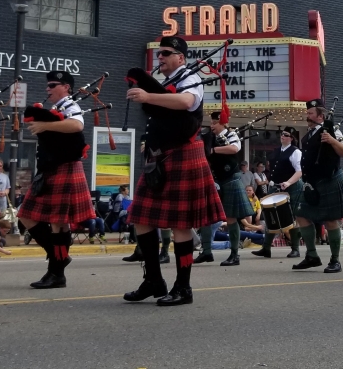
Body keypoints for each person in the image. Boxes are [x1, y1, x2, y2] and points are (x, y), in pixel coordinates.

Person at [123, 36, 224, 307]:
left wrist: (147, 95)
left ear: (181, 57)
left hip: (183, 153)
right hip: (159, 158)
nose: (161, 57)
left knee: (181, 224)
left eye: (166, 53)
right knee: (141, 218)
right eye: (159, 54)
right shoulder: (165, 83)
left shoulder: (189, 78)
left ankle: (183, 287)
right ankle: (153, 280)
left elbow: (186, 102)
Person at [20, 70, 96, 289]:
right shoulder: (56, 109)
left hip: (65, 168)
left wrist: (45, 125)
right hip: (49, 169)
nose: (48, 89)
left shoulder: (70, 105)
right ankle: (58, 258)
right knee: (26, 217)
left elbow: (77, 125)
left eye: (53, 85)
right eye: (48, 85)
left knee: (58, 224)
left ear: (66, 87)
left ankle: (56, 273)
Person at [292, 99, 343, 274]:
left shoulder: (333, 130)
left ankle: (335, 260)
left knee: (331, 219)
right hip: (312, 183)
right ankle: (312, 256)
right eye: (307, 113)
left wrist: (332, 140)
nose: (307, 116)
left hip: (329, 180)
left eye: (310, 113)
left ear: (320, 116)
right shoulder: (308, 135)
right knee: (301, 215)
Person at [204, 110, 250, 267]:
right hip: (216, 179)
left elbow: (234, 149)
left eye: (214, 123)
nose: (212, 125)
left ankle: (234, 254)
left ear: (222, 123)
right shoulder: (210, 137)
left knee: (230, 217)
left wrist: (214, 150)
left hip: (230, 178)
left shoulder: (231, 135)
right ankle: (206, 251)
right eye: (211, 122)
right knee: (207, 215)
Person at [253, 127, 304, 259]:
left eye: (286, 135)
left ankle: (295, 249)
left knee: (292, 218)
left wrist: (288, 182)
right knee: (270, 216)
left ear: (291, 138)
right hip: (275, 187)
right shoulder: (277, 151)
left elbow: (299, 171)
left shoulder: (295, 152)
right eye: (282, 134)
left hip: (291, 187)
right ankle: (266, 248)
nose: (283, 136)